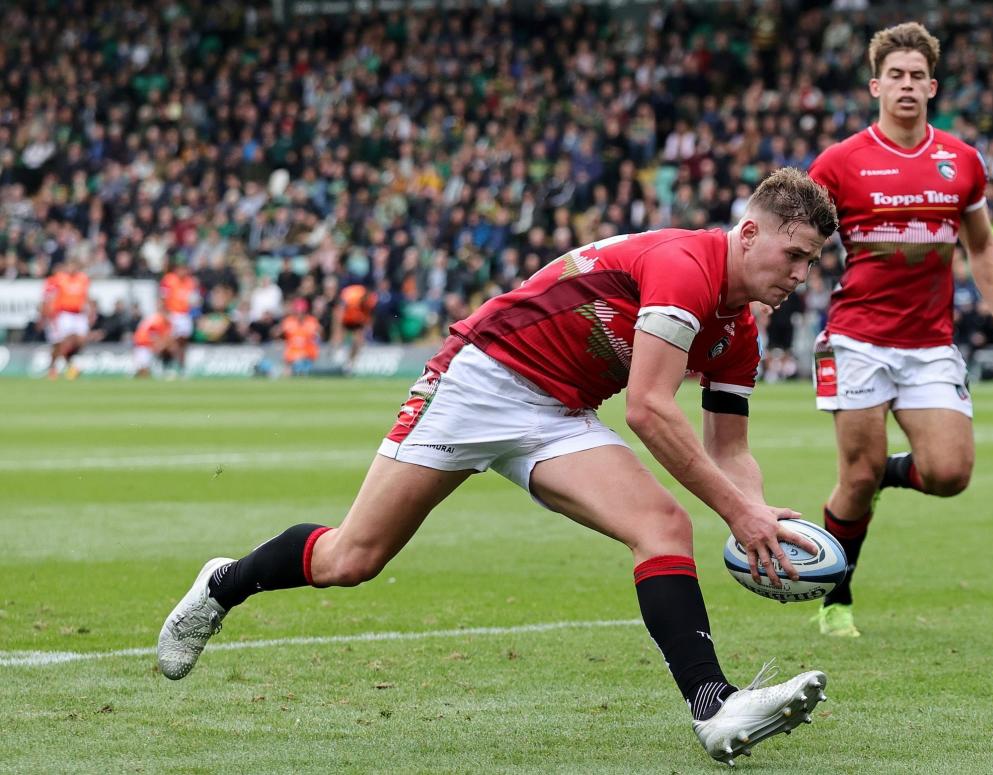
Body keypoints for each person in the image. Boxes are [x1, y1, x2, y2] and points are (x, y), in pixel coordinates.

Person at [157, 169, 837, 764]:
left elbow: (731, 452)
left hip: (558, 412)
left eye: (811, 263)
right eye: (795, 255)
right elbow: (650, 410)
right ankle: (222, 583)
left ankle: (714, 706)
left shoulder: (740, 329)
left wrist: (761, 518)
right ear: (749, 233)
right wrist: (737, 511)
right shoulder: (685, 265)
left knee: (661, 525)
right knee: (351, 558)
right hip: (480, 377)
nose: (800, 276)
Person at [805, 23, 993, 638]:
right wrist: (760, 301)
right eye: (894, 75)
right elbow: (800, 237)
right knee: (856, 477)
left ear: (933, 86)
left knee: (950, 474)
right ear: (876, 85)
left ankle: (889, 472)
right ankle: (835, 598)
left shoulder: (962, 161)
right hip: (855, 338)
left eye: (916, 76)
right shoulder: (840, 163)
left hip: (930, 343)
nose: (906, 85)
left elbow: (982, 247)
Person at [42, 257, 92, 379]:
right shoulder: (59, 279)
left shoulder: (83, 279)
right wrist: (49, 313)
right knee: (61, 343)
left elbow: (86, 296)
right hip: (64, 314)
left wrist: (90, 311)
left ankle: (69, 366)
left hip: (79, 315)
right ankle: (56, 368)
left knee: (80, 341)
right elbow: (48, 295)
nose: (71, 269)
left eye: (74, 266)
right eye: (69, 266)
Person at [159, 260, 200, 376]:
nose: (182, 271)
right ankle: (167, 365)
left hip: (185, 315)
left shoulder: (190, 282)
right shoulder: (169, 280)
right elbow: (162, 298)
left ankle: (181, 367)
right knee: (170, 342)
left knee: (183, 343)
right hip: (172, 314)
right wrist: (164, 314)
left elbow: (194, 300)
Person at [333, 282, 378, 373]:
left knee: (358, 340)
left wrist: (368, 329)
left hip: (358, 318)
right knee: (339, 334)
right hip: (346, 316)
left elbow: (371, 315)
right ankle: (336, 351)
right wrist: (337, 329)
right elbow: (339, 313)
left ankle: (350, 363)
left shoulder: (372, 300)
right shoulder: (351, 295)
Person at [280, 297, 322, 377]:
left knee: (303, 368)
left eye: (302, 311)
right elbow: (278, 334)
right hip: (292, 355)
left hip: (308, 355)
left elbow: (319, 335)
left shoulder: (312, 321)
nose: (300, 314)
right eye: (298, 311)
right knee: (295, 367)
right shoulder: (288, 321)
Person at [133, 304, 174, 378]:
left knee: (144, 368)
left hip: (142, 343)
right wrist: (158, 345)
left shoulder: (156, 318)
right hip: (144, 344)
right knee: (144, 369)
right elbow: (152, 334)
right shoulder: (159, 320)